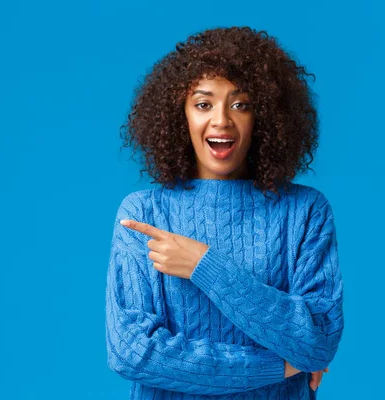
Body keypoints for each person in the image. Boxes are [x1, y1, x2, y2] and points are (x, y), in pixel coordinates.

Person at [106, 26, 344, 400]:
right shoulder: (145, 214)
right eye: (203, 104)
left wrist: (204, 264)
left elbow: (317, 343)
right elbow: (133, 354)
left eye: (240, 104)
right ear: (179, 115)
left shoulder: (304, 211)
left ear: (265, 117)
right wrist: (278, 366)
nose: (221, 120)